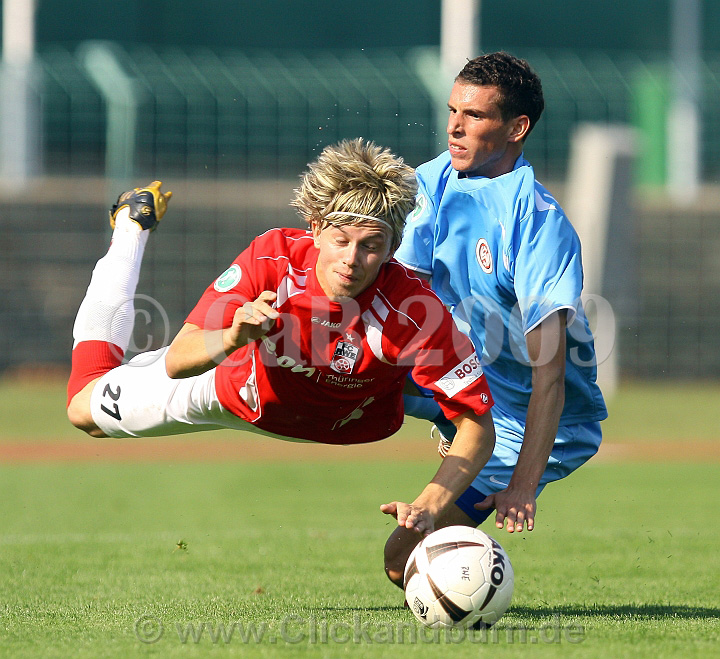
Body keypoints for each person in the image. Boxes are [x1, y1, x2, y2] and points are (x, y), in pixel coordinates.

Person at [66, 138, 496, 537]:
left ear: (393, 246)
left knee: (450, 389)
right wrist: (232, 336)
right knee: (83, 413)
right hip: (231, 392)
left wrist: (430, 503)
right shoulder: (272, 257)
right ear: (314, 228)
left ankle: (437, 407)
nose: (352, 260)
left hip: (356, 419)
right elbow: (179, 361)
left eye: (371, 245)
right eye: (341, 240)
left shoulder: (414, 310)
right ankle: (130, 226)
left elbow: (479, 426)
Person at [384, 52, 608, 587]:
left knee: (402, 564)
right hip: (456, 380)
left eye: (475, 116)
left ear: (516, 128)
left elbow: (549, 375)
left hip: (527, 420)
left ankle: (474, 580)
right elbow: (398, 287)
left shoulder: (537, 222)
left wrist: (523, 485)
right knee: (334, 365)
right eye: (452, 110)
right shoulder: (434, 179)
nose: (454, 128)